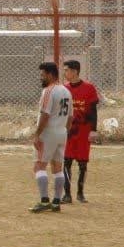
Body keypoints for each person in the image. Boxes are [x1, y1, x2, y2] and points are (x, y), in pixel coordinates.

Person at [30, 62, 72, 213]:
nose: (41, 78)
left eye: (42, 75)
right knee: (57, 168)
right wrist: (65, 131)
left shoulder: (49, 91)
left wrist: (37, 134)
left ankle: (44, 200)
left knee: (39, 166)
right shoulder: (66, 91)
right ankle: (56, 202)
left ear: (50, 74)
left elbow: (45, 114)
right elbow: (70, 116)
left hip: (48, 133)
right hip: (62, 132)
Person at [62, 60, 101, 204]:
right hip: (69, 131)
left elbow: (93, 111)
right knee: (66, 161)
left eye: (66, 70)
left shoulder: (89, 88)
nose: (64, 73)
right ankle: (67, 194)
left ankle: (80, 192)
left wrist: (93, 130)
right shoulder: (63, 89)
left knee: (83, 163)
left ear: (75, 71)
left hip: (84, 130)